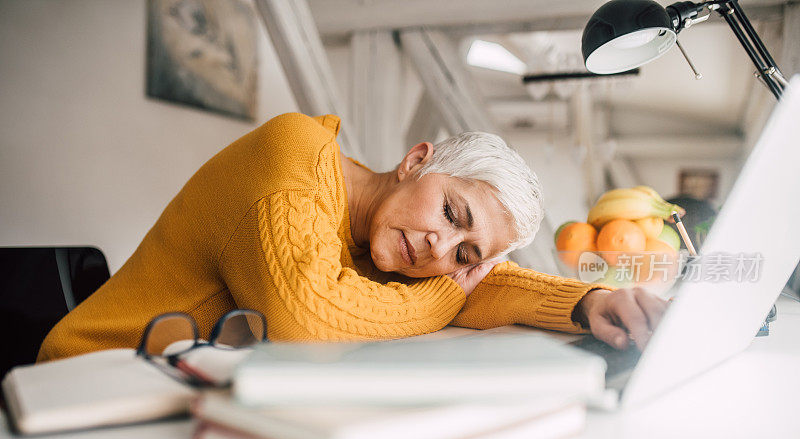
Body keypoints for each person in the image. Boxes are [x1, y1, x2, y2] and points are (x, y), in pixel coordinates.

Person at [37, 113, 667, 362]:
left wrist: (588, 303)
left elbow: (487, 288)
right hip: (93, 379)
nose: (439, 250)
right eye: (452, 213)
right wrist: (447, 293)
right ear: (417, 160)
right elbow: (306, 316)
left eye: (463, 254)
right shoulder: (294, 156)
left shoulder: (382, 238)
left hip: (185, 392)